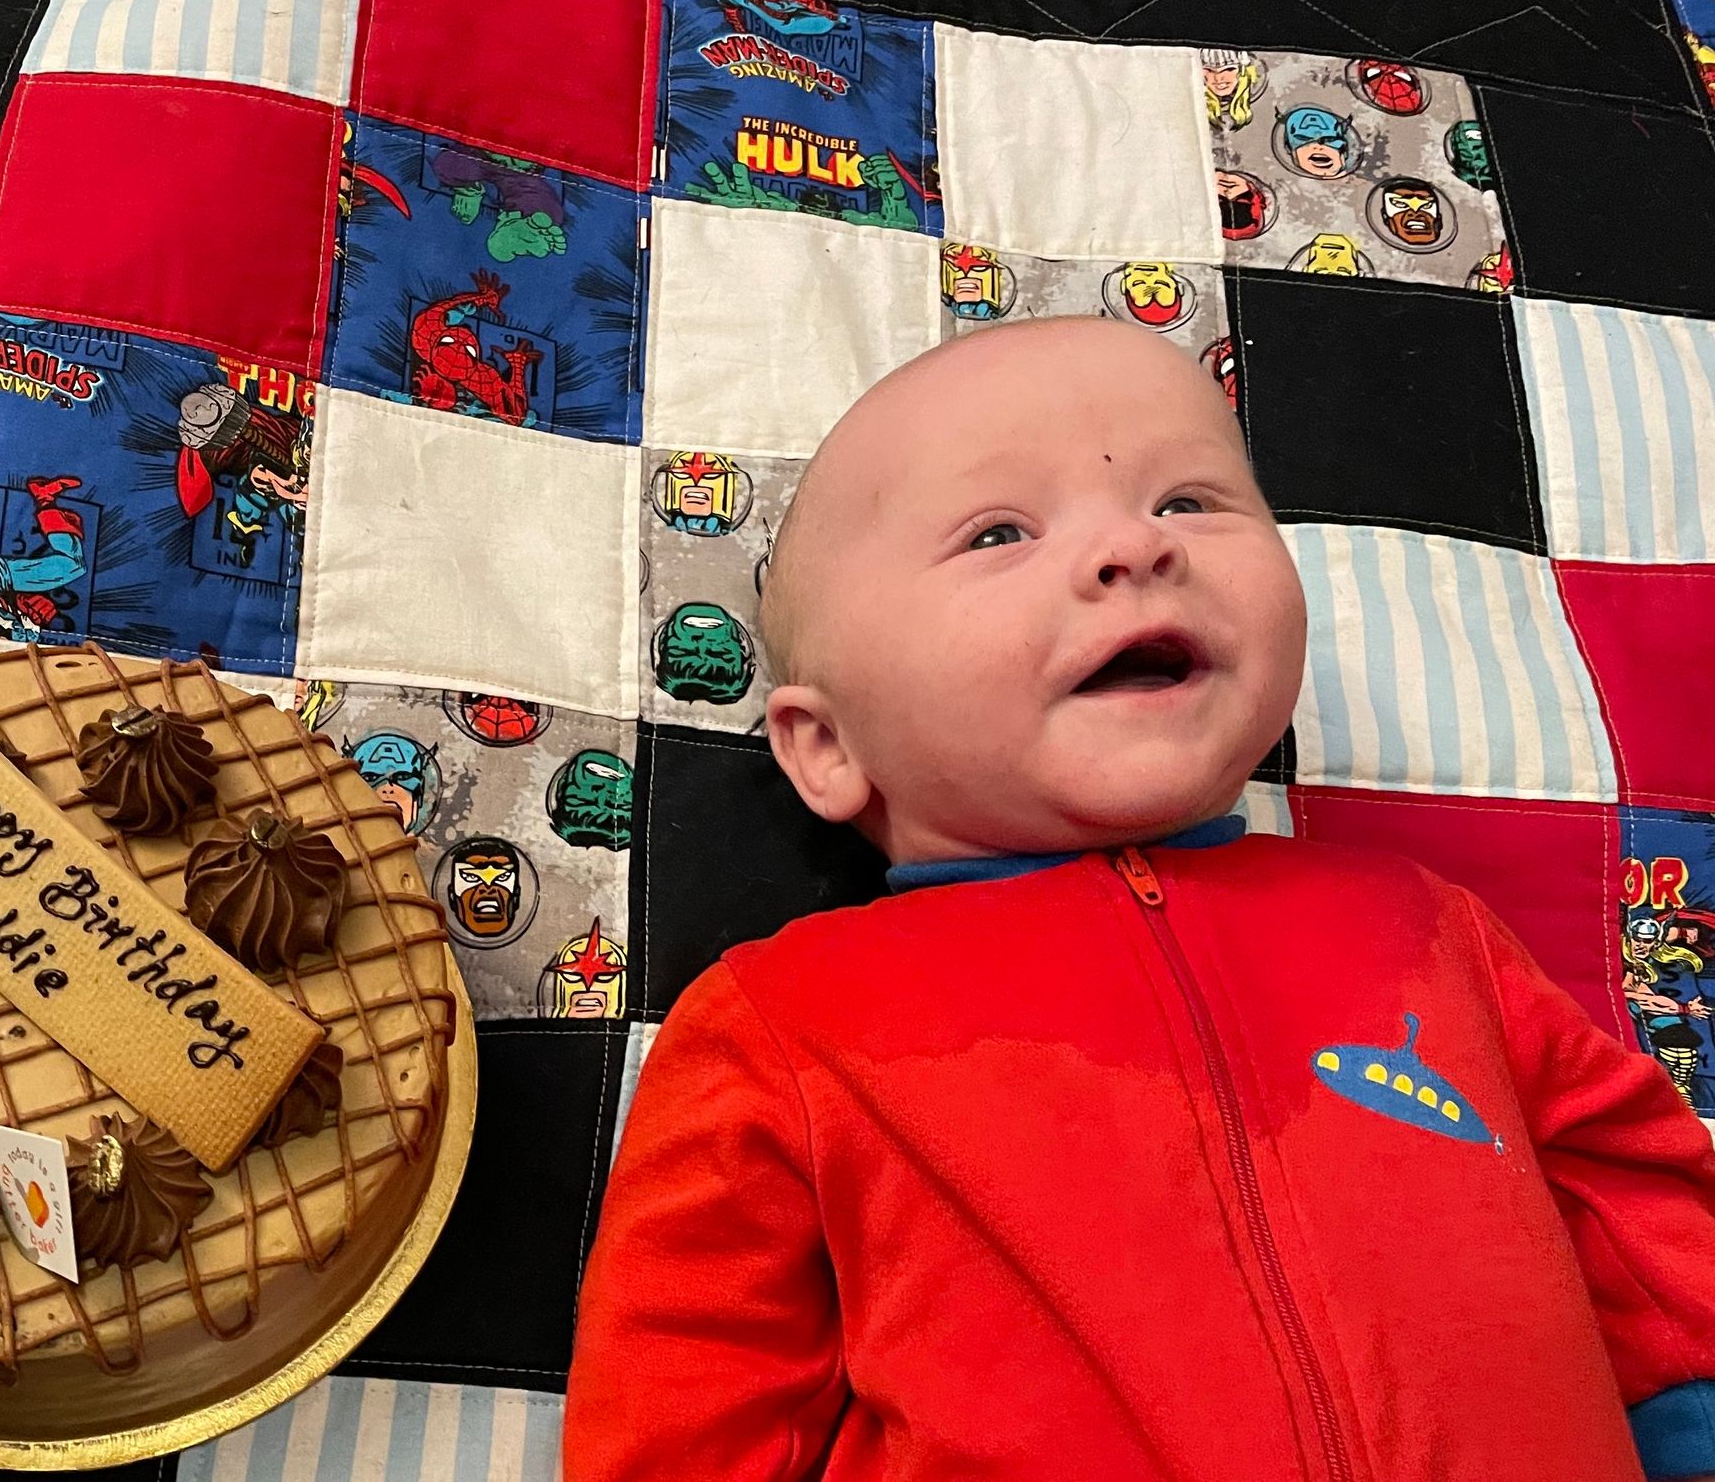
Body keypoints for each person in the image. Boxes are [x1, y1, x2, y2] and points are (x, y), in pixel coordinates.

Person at [562, 318, 1715, 1481]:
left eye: (1190, 504)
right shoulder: (783, 1023)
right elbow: (681, 1392)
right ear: (825, 746)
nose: (1131, 546)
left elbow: (1635, 1205)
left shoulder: (1421, 926)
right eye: (996, 533)